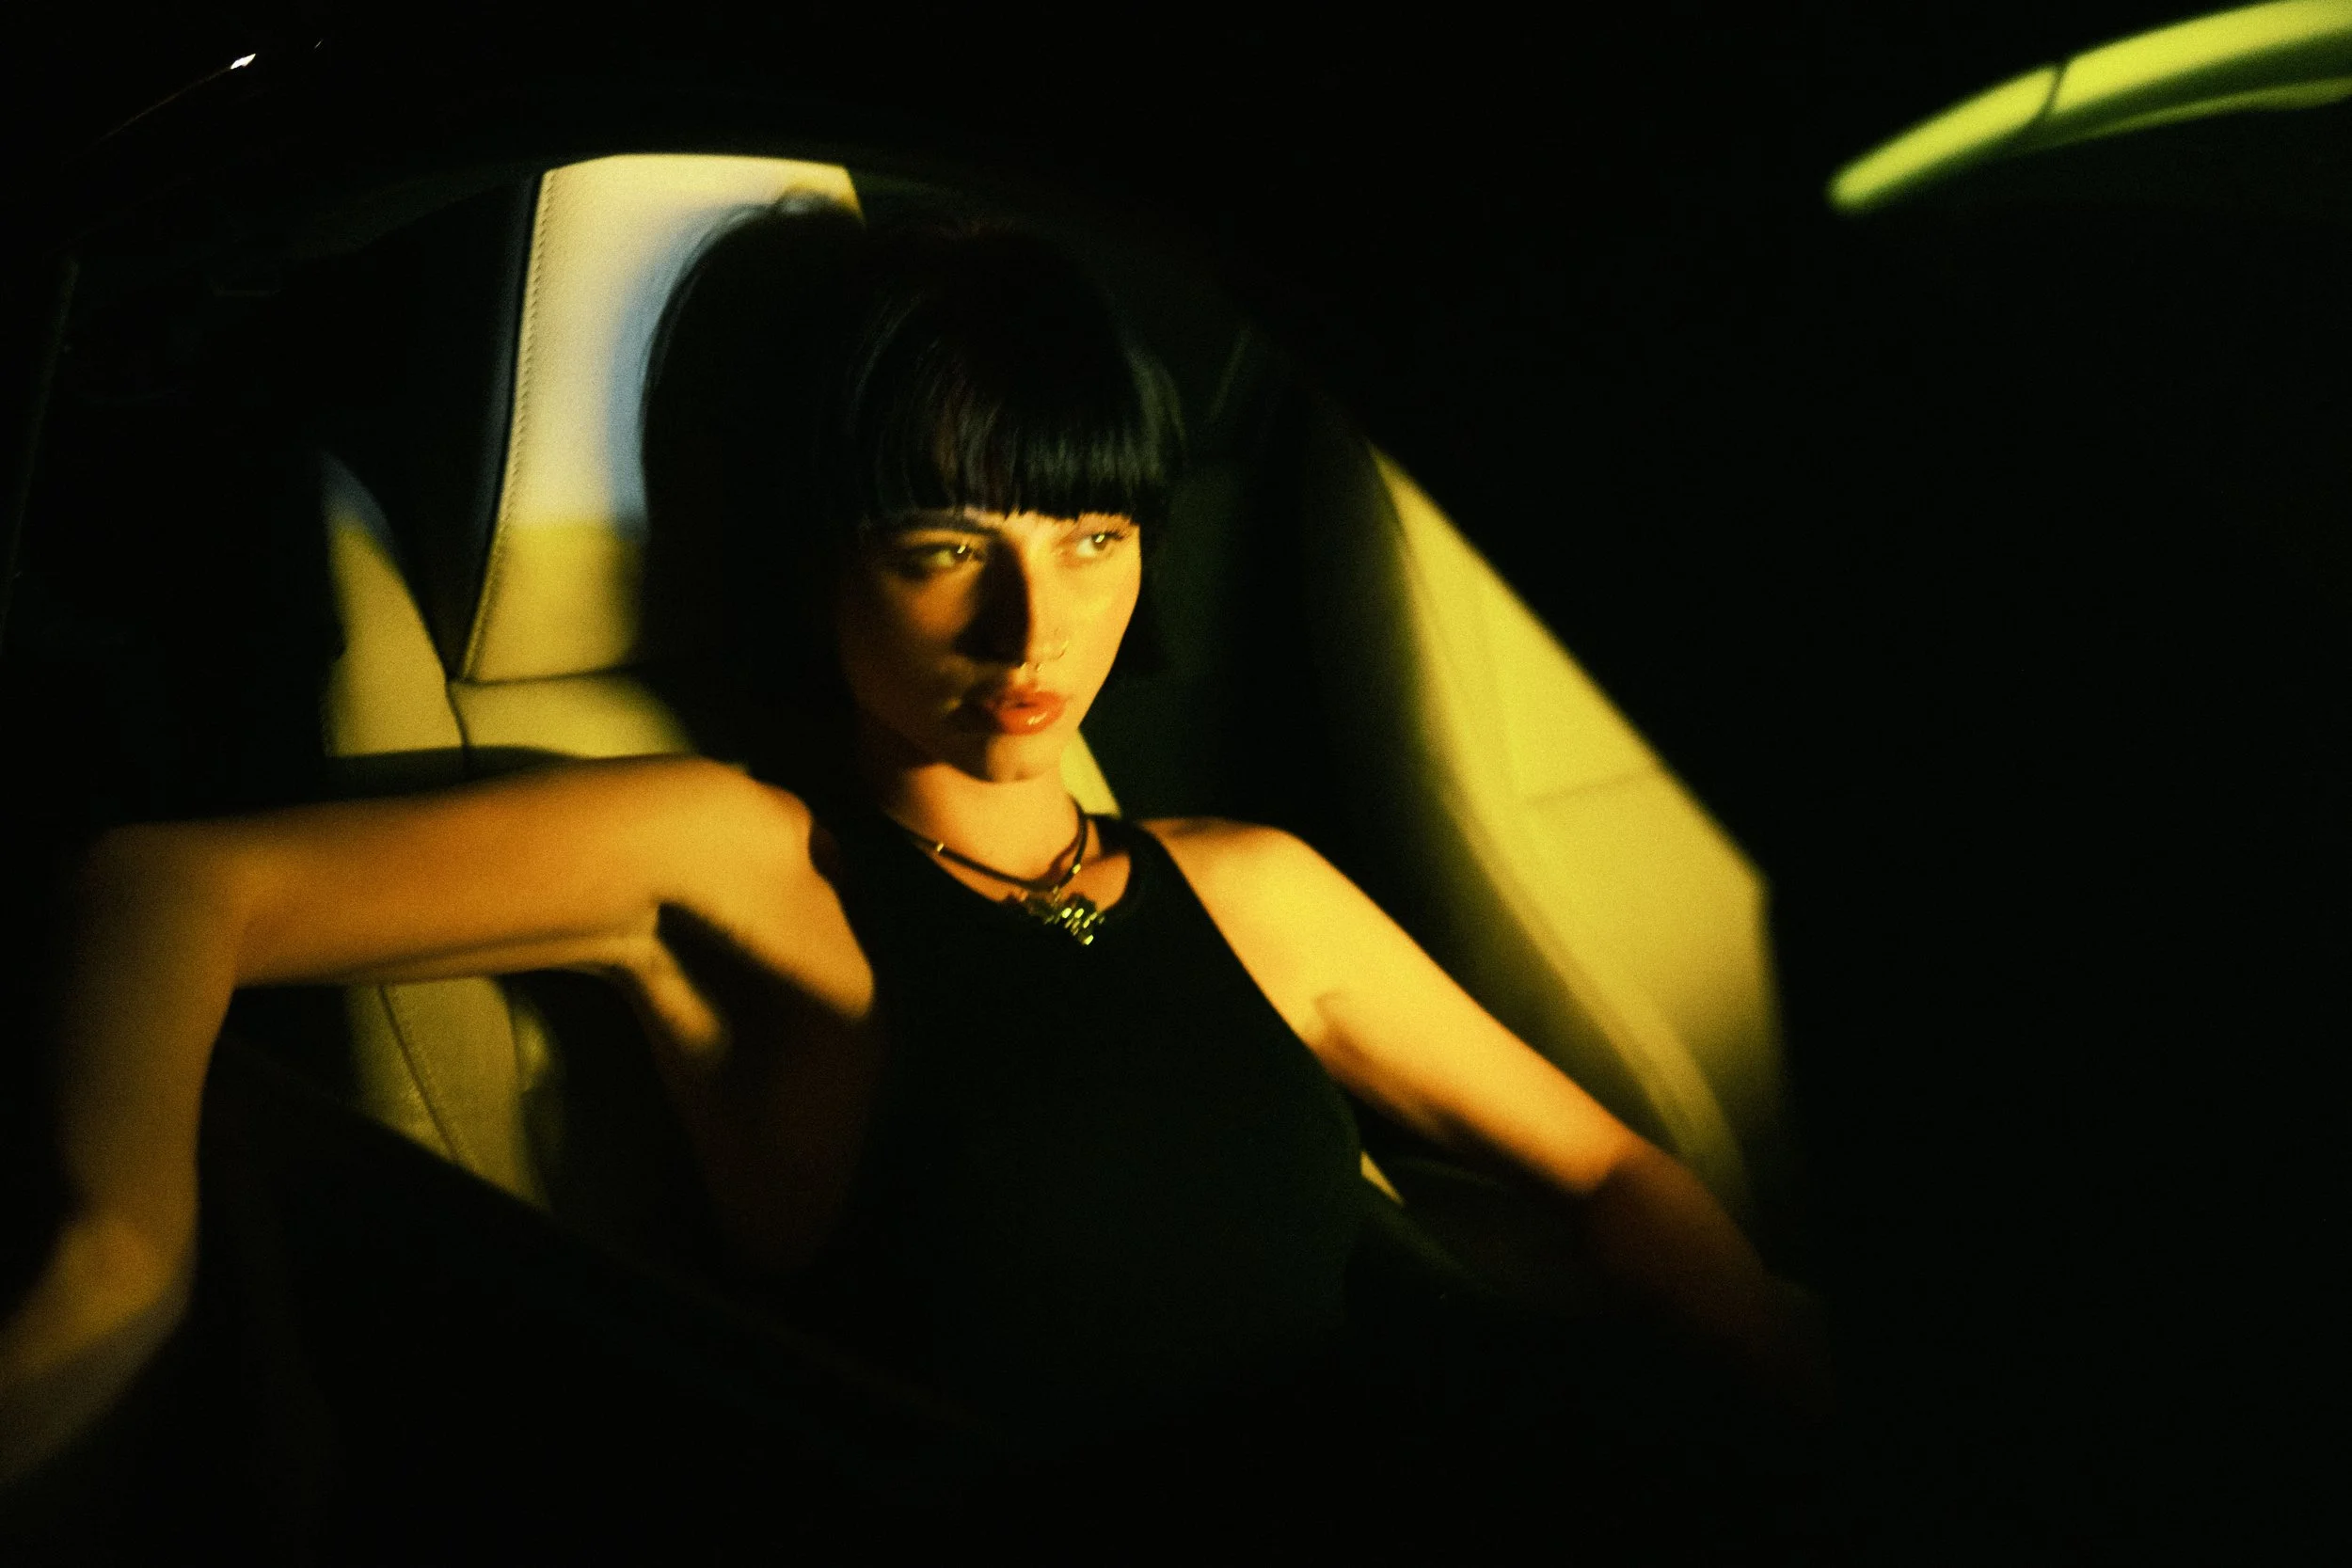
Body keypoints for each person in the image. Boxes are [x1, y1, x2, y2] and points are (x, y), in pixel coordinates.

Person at [0, 209, 1829, 1549]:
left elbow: (1611, 1171)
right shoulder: (740, 854)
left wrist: (1797, 1380)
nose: (1036, 630)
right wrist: (121, 1248)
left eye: (1093, 536)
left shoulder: (1250, 888)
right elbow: (167, 889)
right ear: (821, 558)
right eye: (946, 545)